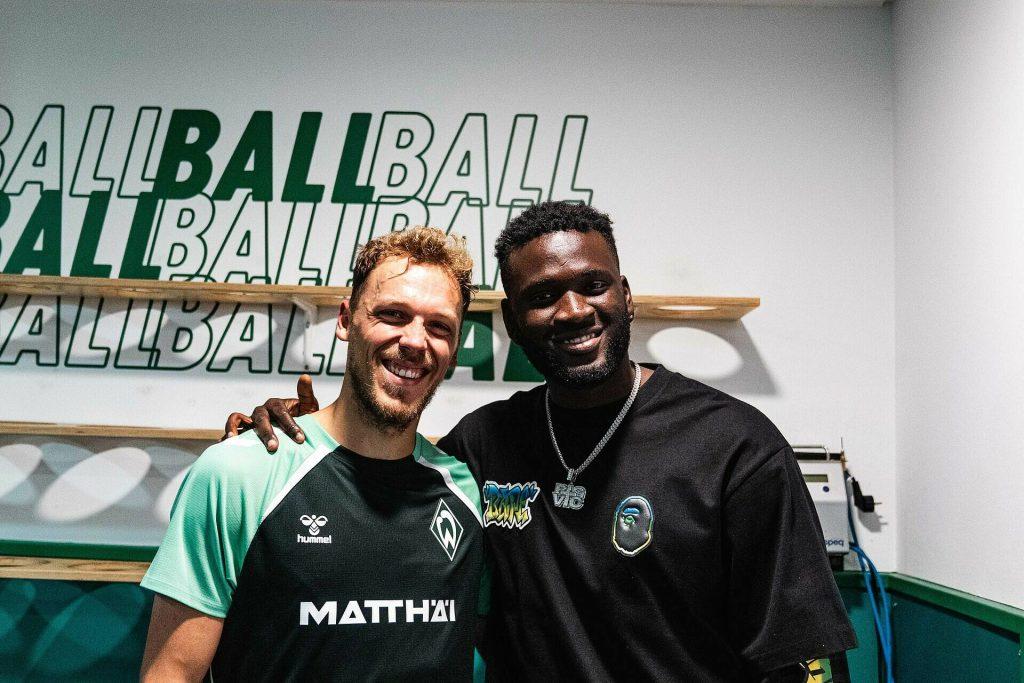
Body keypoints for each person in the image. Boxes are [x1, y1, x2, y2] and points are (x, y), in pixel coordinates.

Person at [227, 202, 857, 681]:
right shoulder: (482, 447)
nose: (574, 310)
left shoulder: (736, 447)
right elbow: (375, 470)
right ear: (513, 320)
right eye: (544, 296)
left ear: (625, 296)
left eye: (593, 285)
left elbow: (804, 656)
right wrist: (301, 436)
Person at [141, 227, 486, 681]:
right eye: (392, 314)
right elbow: (171, 673)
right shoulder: (237, 473)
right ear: (345, 320)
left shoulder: (465, 489)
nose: (415, 341)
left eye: (439, 326)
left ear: (454, 349)